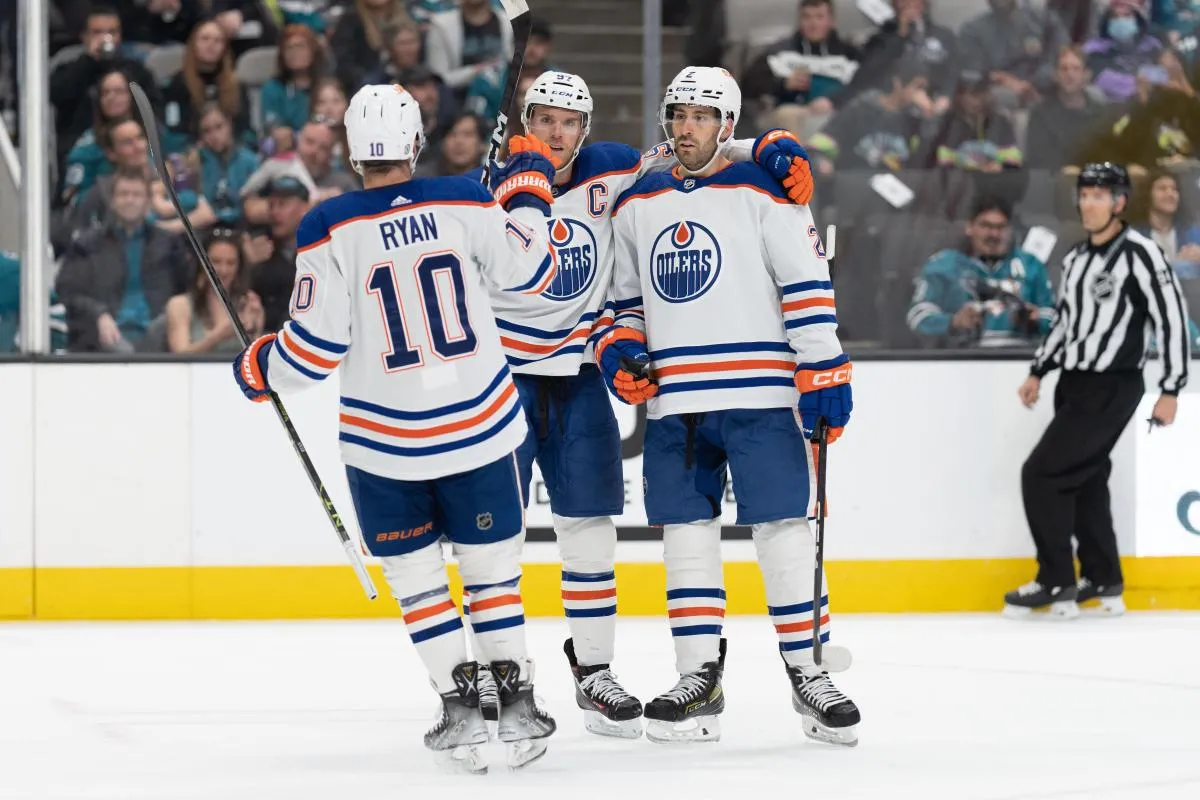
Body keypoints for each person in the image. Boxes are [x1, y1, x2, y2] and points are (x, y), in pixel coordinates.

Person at [464, 69, 814, 740]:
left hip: (578, 380)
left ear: (587, 128)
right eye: (543, 119)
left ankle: (593, 672)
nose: (556, 133)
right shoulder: (486, 191)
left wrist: (768, 144)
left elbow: (698, 147)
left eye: (569, 122)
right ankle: (496, 672)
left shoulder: (617, 175)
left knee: (590, 531)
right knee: (494, 539)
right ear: (523, 125)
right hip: (502, 381)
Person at [230, 85, 560, 773]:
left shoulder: (328, 227)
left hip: (386, 444)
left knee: (419, 582)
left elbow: (314, 352)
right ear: (415, 142)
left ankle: (462, 709)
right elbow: (533, 273)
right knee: (492, 576)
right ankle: (519, 702)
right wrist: (528, 191)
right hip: (479, 425)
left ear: (351, 152)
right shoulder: (465, 200)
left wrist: (263, 364)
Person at [599, 66, 858, 745]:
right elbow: (625, 302)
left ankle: (809, 673)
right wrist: (620, 350)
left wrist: (823, 366)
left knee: (782, 533)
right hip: (677, 401)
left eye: (700, 116)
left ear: (728, 125)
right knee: (686, 540)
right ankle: (697, 679)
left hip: (760, 393)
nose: (685, 127)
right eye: (677, 113)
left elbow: (806, 284)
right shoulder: (636, 200)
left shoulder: (765, 188)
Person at [1008, 162, 1191, 619]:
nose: (1088, 203)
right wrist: (1038, 370)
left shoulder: (1142, 253)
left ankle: (1055, 580)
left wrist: (1171, 387)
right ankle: (1103, 577)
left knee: (1041, 475)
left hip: (1114, 384)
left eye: (1099, 195)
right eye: (1084, 194)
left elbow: (1171, 317)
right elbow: (1065, 322)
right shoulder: (1075, 259)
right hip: (1074, 382)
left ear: (1120, 203)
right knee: (1087, 478)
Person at [908, 196, 1055, 348]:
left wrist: (1036, 320)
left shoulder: (1031, 264)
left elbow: (1055, 316)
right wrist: (953, 322)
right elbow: (918, 316)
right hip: (957, 361)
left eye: (1001, 227)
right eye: (986, 226)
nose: (994, 234)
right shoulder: (943, 265)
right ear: (969, 227)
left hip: (1019, 360)